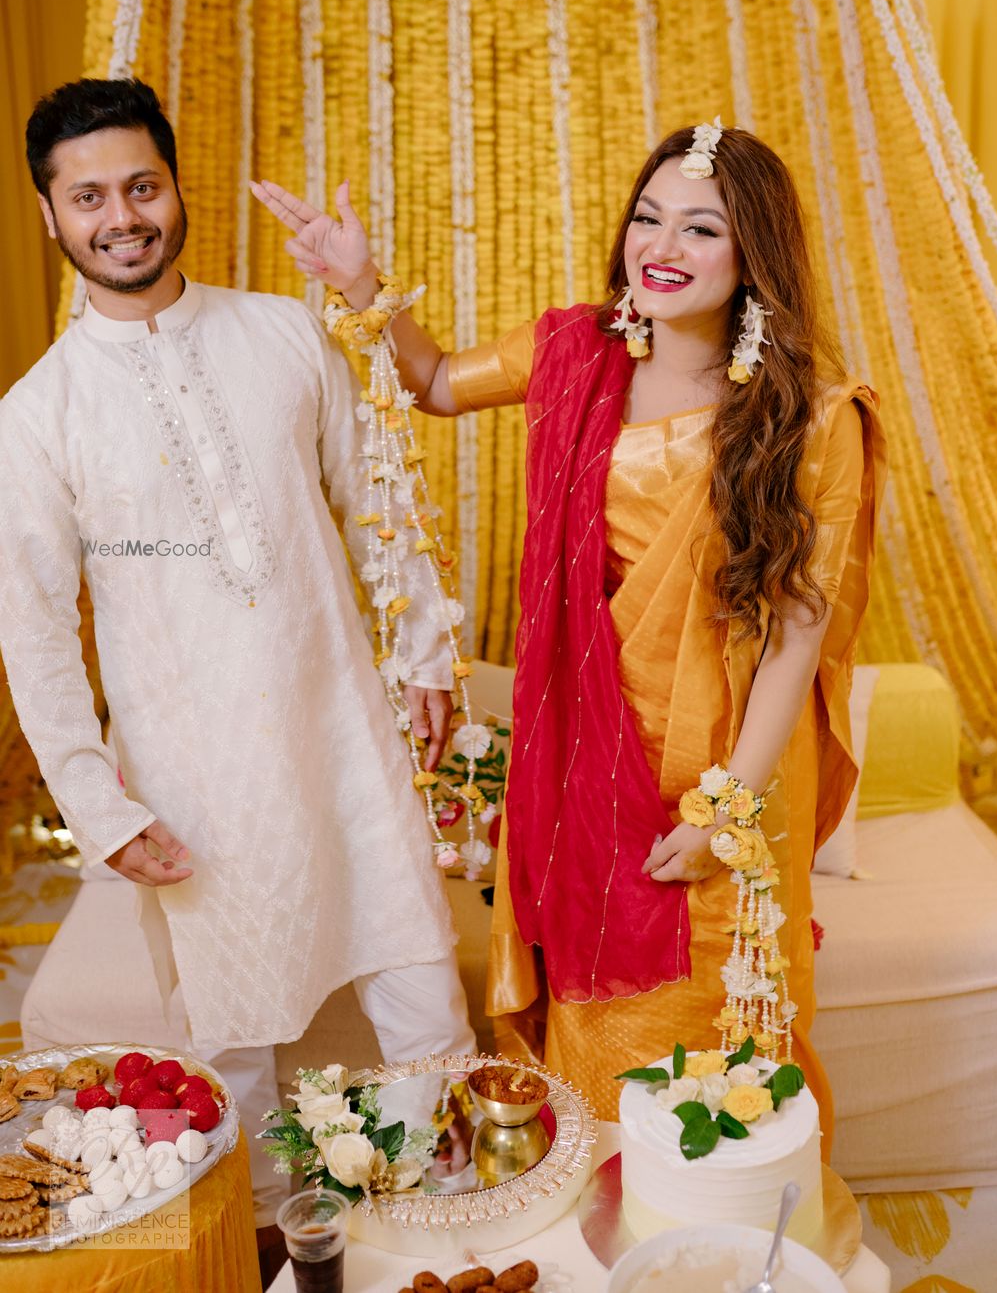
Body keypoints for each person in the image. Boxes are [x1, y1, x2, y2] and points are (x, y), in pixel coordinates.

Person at [250, 122, 887, 1141]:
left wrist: (726, 807)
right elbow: (438, 383)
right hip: (590, 752)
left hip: (730, 765)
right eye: (646, 217)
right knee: (596, 1021)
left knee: (718, 1037)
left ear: (752, 250)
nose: (661, 245)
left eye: (700, 226)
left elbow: (795, 638)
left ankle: (719, 1245)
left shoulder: (811, 416)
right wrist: (360, 282)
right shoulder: (574, 354)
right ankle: (606, 1228)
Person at [0, 78, 475, 1242]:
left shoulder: (280, 330)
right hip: (193, 776)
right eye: (90, 197)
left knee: (423, 998)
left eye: (141, 185)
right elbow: (34, 628)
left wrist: (421, 647)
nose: (123, 216)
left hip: (342, 733)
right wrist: (99, 807)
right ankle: (277, 1252)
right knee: (236, 1046)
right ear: (52, 220)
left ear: (176, 186)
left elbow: (373, 498)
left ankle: (455, 1228)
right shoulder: (38, 414)